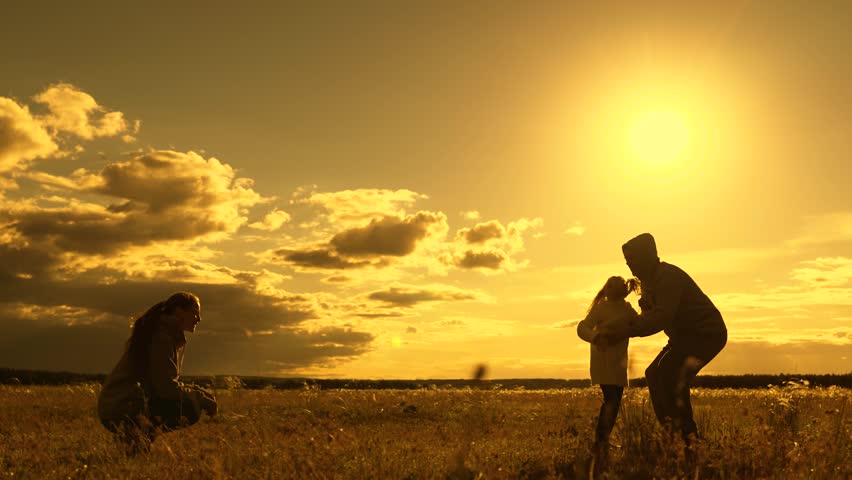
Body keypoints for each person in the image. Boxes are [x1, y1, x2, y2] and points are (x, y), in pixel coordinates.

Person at [602, 233, 727, 444]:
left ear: (649, 256)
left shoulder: (668, 277)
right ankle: (673, 433)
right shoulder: (649, 282)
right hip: (682, 337)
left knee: (670, 375)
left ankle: (687, 437)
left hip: (706, 333)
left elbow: (661, 319)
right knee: (654, 373)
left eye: (633, 259)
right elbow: (651, 318)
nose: (630, 265)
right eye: (627, 261)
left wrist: (625, 330)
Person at [98, 292, 218, 453]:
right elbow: (166, 388)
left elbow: (162, 383)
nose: (199, 319)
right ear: (179, 311)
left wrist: (197, 392)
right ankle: (134, 437)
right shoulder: (160, 337)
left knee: (188, 402)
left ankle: (137, 442)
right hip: (120, 408)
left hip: (117, 406)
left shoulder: (159, 332)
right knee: (189, 408)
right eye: (195, 312)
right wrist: (200, 398)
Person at [576, 276, 639, 465]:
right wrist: (595, 337)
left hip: (619, 362)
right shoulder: (601, 307)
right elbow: (582, 327)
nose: (612, 287)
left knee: (614, 402)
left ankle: (601, 442)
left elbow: (640, 323)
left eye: (617, 285)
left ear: (622, 289)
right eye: (610, 285)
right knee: (612, 400)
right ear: (606, 289)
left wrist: (648, 306)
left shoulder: (627, 308)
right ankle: (600, 443)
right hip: (602, 360)